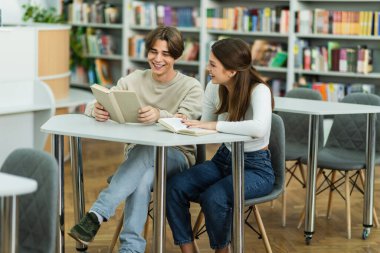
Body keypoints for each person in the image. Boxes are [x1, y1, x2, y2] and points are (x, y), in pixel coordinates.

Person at [68, 26, 203, 253]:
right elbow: (103, 98)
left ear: (177, 56)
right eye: (153, 51)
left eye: (166, 54)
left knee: (148, 148)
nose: (158, 59)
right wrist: (96, 109)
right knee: (141, 179)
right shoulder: (133, 79)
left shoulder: (191, 86)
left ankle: (97, 214)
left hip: (176, 156)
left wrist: (160, 115)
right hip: (137, 158)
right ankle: (130, 249)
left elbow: (187, 121)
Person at [166, 38, 275, 253]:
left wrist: (213, 125)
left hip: (256, 168)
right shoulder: (213, 87)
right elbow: (204, 126)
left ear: (232, 70)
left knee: (214, 197)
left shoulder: (259, 90)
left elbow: (259, 128)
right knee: (174, 186)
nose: (207, 69)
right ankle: (188, 250)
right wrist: (183, 122)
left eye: (213, 64)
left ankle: (221, 250)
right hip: (223, 159)